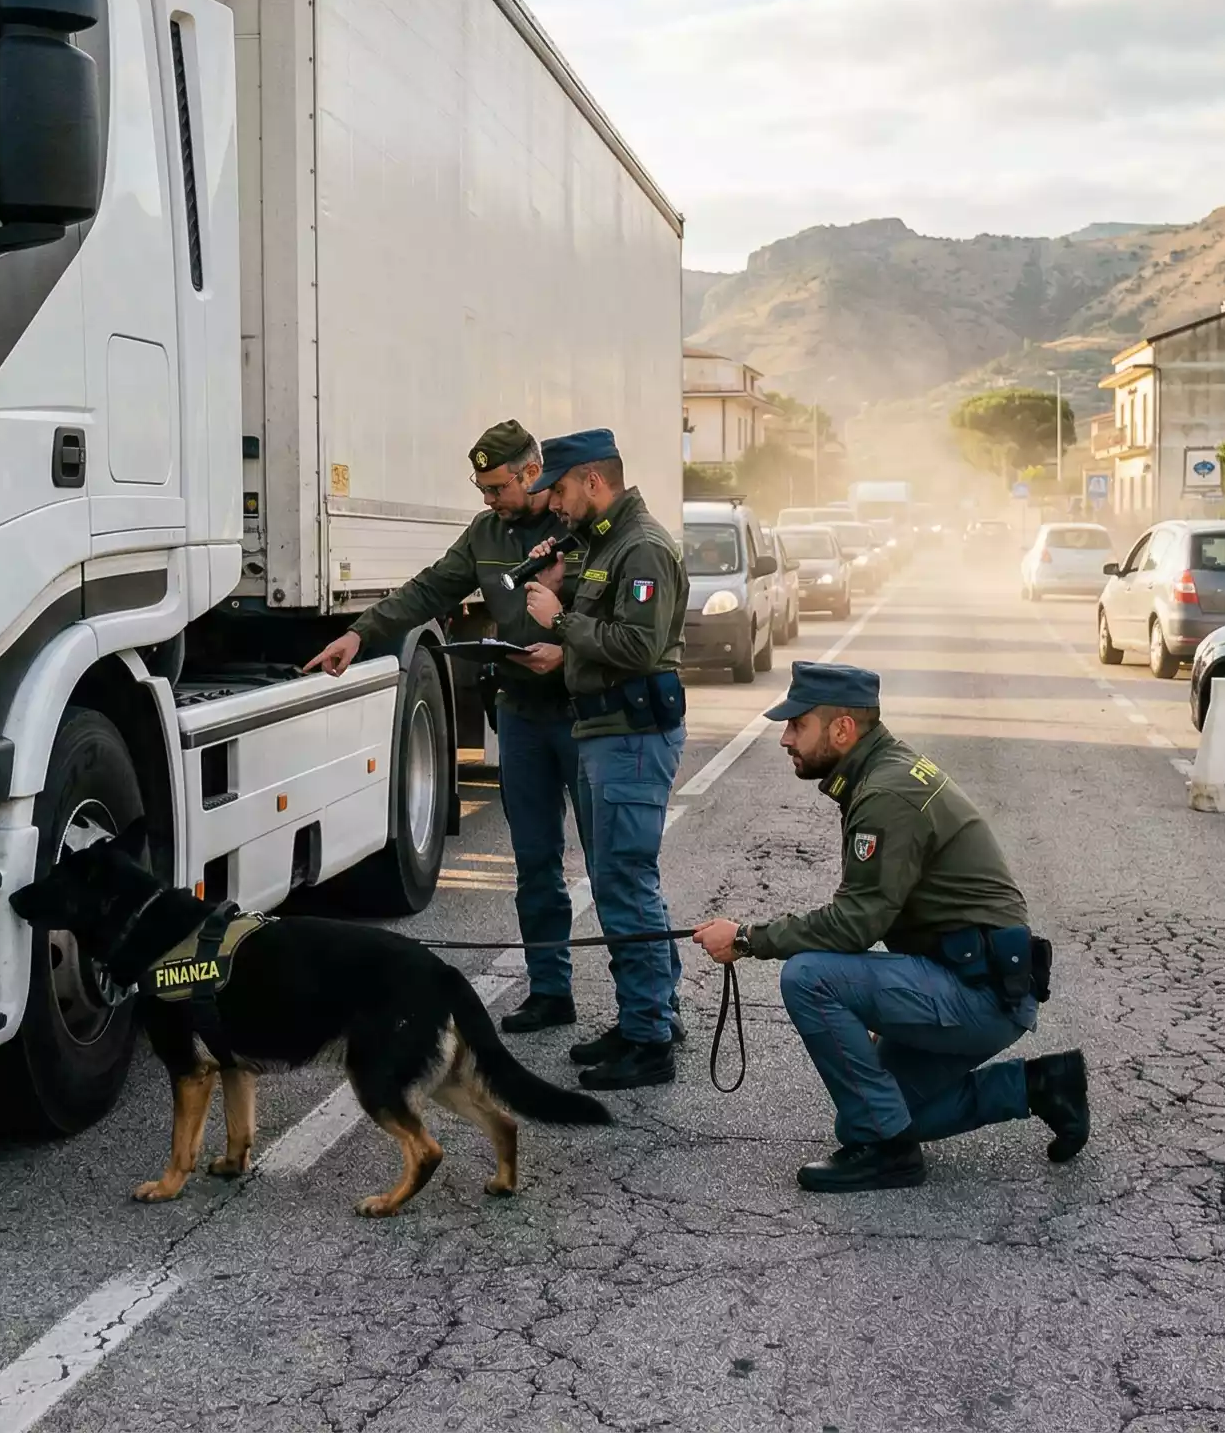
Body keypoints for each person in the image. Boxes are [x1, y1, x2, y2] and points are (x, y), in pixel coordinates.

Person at [694, 662, 1089, 1193]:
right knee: (880, 1115)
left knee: (808, 977)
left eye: (797, 725)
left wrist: (746, 939)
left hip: (980, 993)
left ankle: (889, 1157)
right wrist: (887, 1003)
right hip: (972, 978)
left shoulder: (885, 794)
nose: (785, 737)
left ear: (842, 730)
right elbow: (886, 909)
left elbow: (855, 924)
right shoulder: (881, 771)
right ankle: (1040, 1086)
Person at [305, 421, 591, 1030]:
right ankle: (550, 991)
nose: (487, 499)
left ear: (531, 471)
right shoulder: (487, 533)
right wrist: (359, 634)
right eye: (481, 488)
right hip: (520, 717)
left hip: (583, 717)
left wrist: (565, 649)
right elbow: (430, 588)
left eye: (496, 487)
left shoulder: (577, 525)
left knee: (612, 865)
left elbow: (618, 614)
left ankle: (651, 1007)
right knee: (535, 862)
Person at [520, 428, 689, 1090]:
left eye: (560, 489)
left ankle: (650, 1039)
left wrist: (560, 620)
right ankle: (640, 1017)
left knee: (625, 884)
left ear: (595, 481)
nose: (555, 505)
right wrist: (560, 578)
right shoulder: (604, 543)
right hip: (604, 733)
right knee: (620, 881)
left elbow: (637, 647)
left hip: (631, 736)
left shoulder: (641, 546)